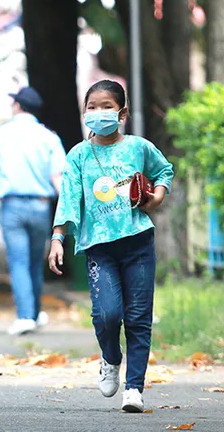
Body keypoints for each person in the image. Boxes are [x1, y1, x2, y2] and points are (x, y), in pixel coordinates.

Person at [48, 80, 174, 413]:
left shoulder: (138, 147)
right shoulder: (78, 155)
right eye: (92, 106)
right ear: (84, 112)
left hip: (138, 242)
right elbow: (70, 199)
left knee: (138, 318)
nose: (99, 112)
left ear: (122, 113)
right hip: (99, 248)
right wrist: (58, 238)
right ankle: (110, 358)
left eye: (106, 106)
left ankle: (134, 388)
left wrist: (157, 197)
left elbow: (164, 171)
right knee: (107, 315)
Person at [0, 87, 67, 336]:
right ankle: (35, 312)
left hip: (12, 205)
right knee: (34, 261)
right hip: (41, 205)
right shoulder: (49, 137)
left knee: (18, 261)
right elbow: (57, 176)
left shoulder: (2, 134)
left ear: (18, 106)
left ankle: (25, 316)